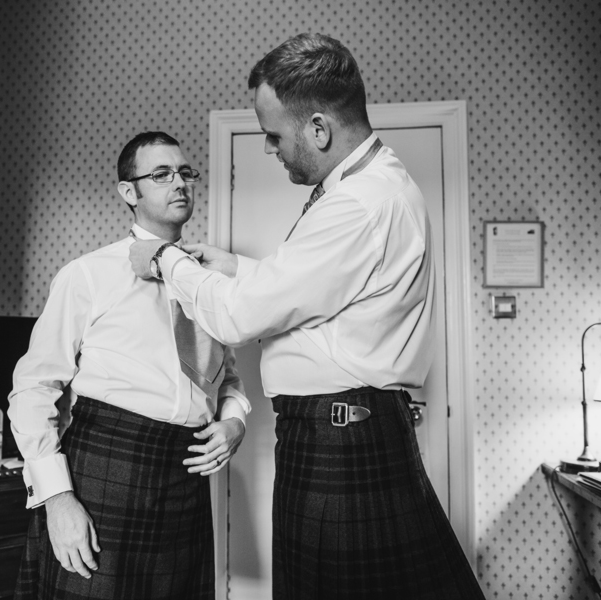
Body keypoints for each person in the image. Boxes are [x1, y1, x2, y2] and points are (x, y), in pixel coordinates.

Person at [129, 34, 485, 599]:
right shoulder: (364, 188)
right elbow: (318, 297)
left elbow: (240, 318)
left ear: (318, 127)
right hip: (338, 432)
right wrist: (238, 267)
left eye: (274, 136)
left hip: (340, 442)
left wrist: (166, 258)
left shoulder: (360, 203)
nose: (271, 149)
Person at [10, 131, 250, 600]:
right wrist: (57, 500)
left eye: (185, 172)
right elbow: (34, 388)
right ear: (128, 192)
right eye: (161, 174)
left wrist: (234, 422)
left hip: (185, 477)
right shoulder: (88, 274)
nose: (179, 182)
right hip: (107, 470)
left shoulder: (207, 282)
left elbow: (231, 378)